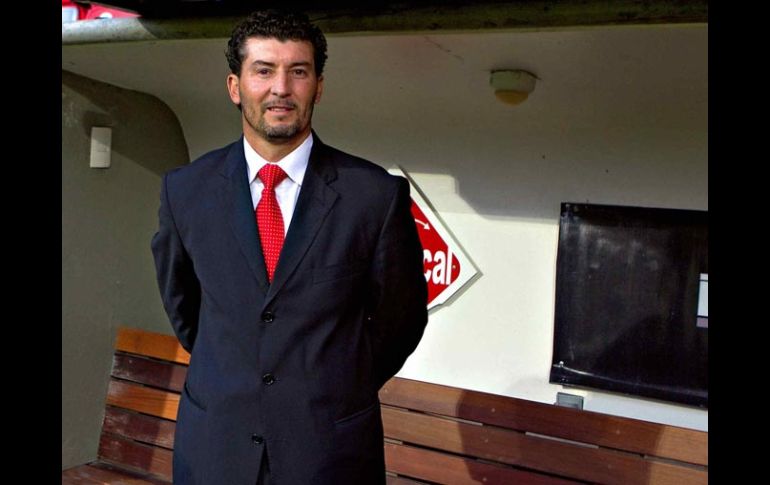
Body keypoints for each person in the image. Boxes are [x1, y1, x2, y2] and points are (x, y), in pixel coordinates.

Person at [150, 9, 429, 485]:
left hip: (329, 452)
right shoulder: (185, 191)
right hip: (216, 446)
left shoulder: (374, 196)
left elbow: (399, 322)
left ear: (318, 87)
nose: (281, 88)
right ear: (235, 86)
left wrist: (333, 386)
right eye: (263, 70)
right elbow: (186, 309)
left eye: (298, 71)